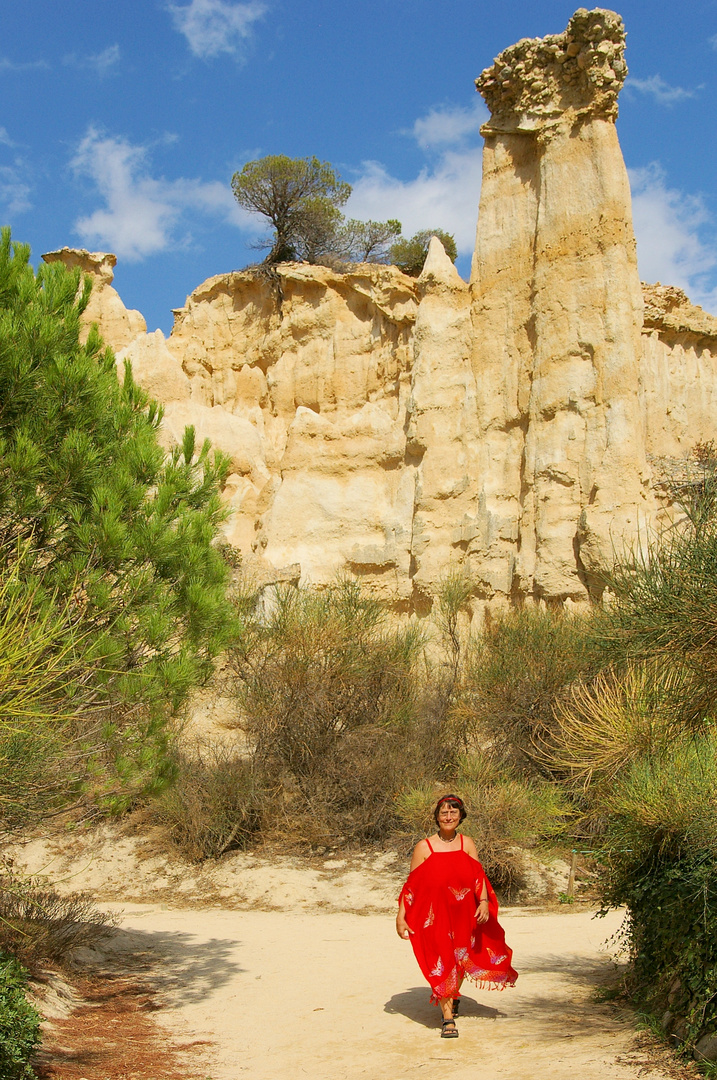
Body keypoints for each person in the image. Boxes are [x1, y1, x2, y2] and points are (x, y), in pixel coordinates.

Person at [396, 794, 517, 1038]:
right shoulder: (424, 847)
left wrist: (483, 901)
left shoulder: (467, 843)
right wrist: (401, 916)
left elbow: (478, 876)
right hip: (435, 915)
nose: (449, 817)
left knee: (461, 958)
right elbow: (412, 886)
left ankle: (451, 995)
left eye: (453, 812)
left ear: (460, 816)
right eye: (444, 813)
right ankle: (448, 1017)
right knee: (442, 958)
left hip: (464, 912)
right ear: (437, 817)